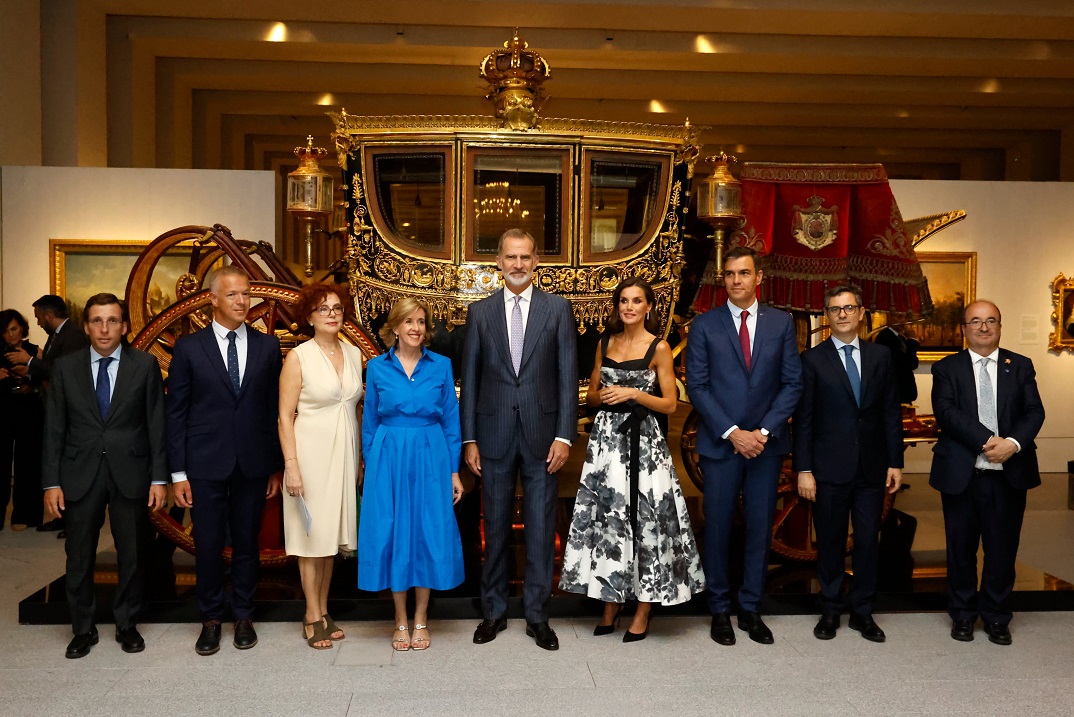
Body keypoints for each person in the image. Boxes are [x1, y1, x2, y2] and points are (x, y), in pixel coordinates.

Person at [559, 277, 704, 642]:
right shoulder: (604, 342)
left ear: (648, 307)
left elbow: (670, 403)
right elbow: (590, 396)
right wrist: (604, 395)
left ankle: (644, 606)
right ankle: (612, 599)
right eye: (623, 301)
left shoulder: (658, 348)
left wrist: (633, 394)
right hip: (608, 443)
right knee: (610, 519)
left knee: (648, 518)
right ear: (617, 306)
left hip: (645, 443)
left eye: (637, 301)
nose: (629, 307)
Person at [461, 228, 578, 651]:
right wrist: (469, 439)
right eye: (510, 257)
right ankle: (492, 612)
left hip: (544, 437)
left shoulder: (558, 310)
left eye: (525, 257)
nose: (518, 264)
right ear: (498, 262)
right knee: (491, 526)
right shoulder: (480, 312)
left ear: (536, 262)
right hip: (490, 437)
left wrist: (565, 435)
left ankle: (537, 616)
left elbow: (567, 378)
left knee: (542, 528)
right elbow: (470, 382)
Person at [685, 245, 802, 646]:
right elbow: (697, 387)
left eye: (744, 273)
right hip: (722, 446)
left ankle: (750, 607)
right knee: (716, 528)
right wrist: (734, 433)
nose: (736, 280)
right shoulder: (704, 325)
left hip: (766, 447)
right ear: (725, 280)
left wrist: (763, 432)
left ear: (759, 278)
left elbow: (792, 383)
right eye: (730, 274)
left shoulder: (782, 323)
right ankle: (719, 608)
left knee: (758, 528)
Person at [40, 293, 168, 658]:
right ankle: (82, 628)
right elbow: (54, 430)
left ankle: (127, 624)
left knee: (132, 553)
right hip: (79, 473)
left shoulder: (143, 365)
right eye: (97, 320)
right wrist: (51, 482)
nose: (104, 328)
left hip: (131, 471)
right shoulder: (65, 368)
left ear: (124, 326)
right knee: (79, 554)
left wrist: (160, 479)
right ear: (86, 326)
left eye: (112, 320)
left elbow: (156, 425)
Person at [166, 266, 283, 656]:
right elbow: (177, 412)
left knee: (248, 544)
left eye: (246, 294)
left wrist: (275, 465)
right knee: (209, 544)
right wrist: (178, 472)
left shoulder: (268, 347)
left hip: (253, 462)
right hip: (204, 463)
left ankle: (244, 616)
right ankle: (212, 619)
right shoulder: (188, 348)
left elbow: (272, 411)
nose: (241, 301)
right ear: (212, 299)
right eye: (232, 295)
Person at [929, 300, 1045, 646]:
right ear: (963, 329)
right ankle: (962, 615)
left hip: (1008, 475)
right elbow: (946, 412)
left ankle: (996, 616)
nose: (983, 327)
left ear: (999, 326)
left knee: (1002, 550)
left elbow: (1035, 412)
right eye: (975, 321)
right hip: (962, 474)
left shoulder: (1020, 366)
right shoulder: (947, 368)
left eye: (990, 320)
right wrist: (988, 440)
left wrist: (1012, 443)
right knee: (960, 550)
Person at [794, 285, 903, 642]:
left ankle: (863, 612)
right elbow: (805, 420)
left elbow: (890, 413)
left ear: (860, 313)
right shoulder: (812, 360)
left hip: (872, 468)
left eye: (849, 308)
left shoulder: (881, 357)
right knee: (830, 540)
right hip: (828, 468)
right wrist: (804, 469)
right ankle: (830, 610)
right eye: (835, 309)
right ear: (827, 316)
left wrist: (895, 461)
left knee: (869, 540)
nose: (843, 314)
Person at [359, 297, 464, 651]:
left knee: (427, 531)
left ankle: (421, 617)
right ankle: (399, 620)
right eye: (408, 322)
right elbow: (369, 421)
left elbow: (451, 420)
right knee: (394, 532)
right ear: (395, 327)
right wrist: (373, 464)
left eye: (421, 321)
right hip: (389, 456)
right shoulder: (376, 367)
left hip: (431, 454)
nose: (416, 328)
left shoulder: (442, 366)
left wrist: (453, 471)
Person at [278, 284, 362, 649]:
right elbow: (283, 416)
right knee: (311, 539)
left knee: (330, 538)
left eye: (337, 308)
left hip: (344, 454)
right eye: (323, 309)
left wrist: (358, 459)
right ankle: (311, 615)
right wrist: (291, 466)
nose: (332, 314)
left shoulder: (355, 353)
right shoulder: (298, 356)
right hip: (309, 455)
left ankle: (324, 610)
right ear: (309, 316)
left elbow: (356, 409)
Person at [6, 294, 89, 534]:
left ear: (48, 315)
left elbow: (65, 372)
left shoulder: (72, 336)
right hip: (53, 407)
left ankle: (72, 522)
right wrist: (31, 379)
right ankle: (62, 518)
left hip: (69, 410)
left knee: (70, 468)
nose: (39, 322)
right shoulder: (57, 335)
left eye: (39, 317)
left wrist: (30, 361)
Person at [0, 309, 44, 530]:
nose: (11, 335)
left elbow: (50, 377)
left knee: (29, 463)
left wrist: (31, 382)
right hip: (2, 411)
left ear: (23, 329)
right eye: (6, 331)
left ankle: (24, 515)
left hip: (29, 410)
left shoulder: (35, 351)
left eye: (14, 329)